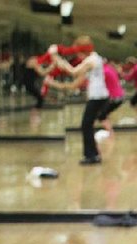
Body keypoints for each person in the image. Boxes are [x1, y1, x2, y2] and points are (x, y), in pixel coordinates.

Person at [51, 37, 109, 165]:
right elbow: (77, 78)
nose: (78, 55)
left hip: (97, 97)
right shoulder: (95, 58)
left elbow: (73, 72)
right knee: (88, 125)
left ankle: (91, 156)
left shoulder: (91, 60)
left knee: (85, 125)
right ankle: (94, 154)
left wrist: (56, 56)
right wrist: (57, 59)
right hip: (100, 96)